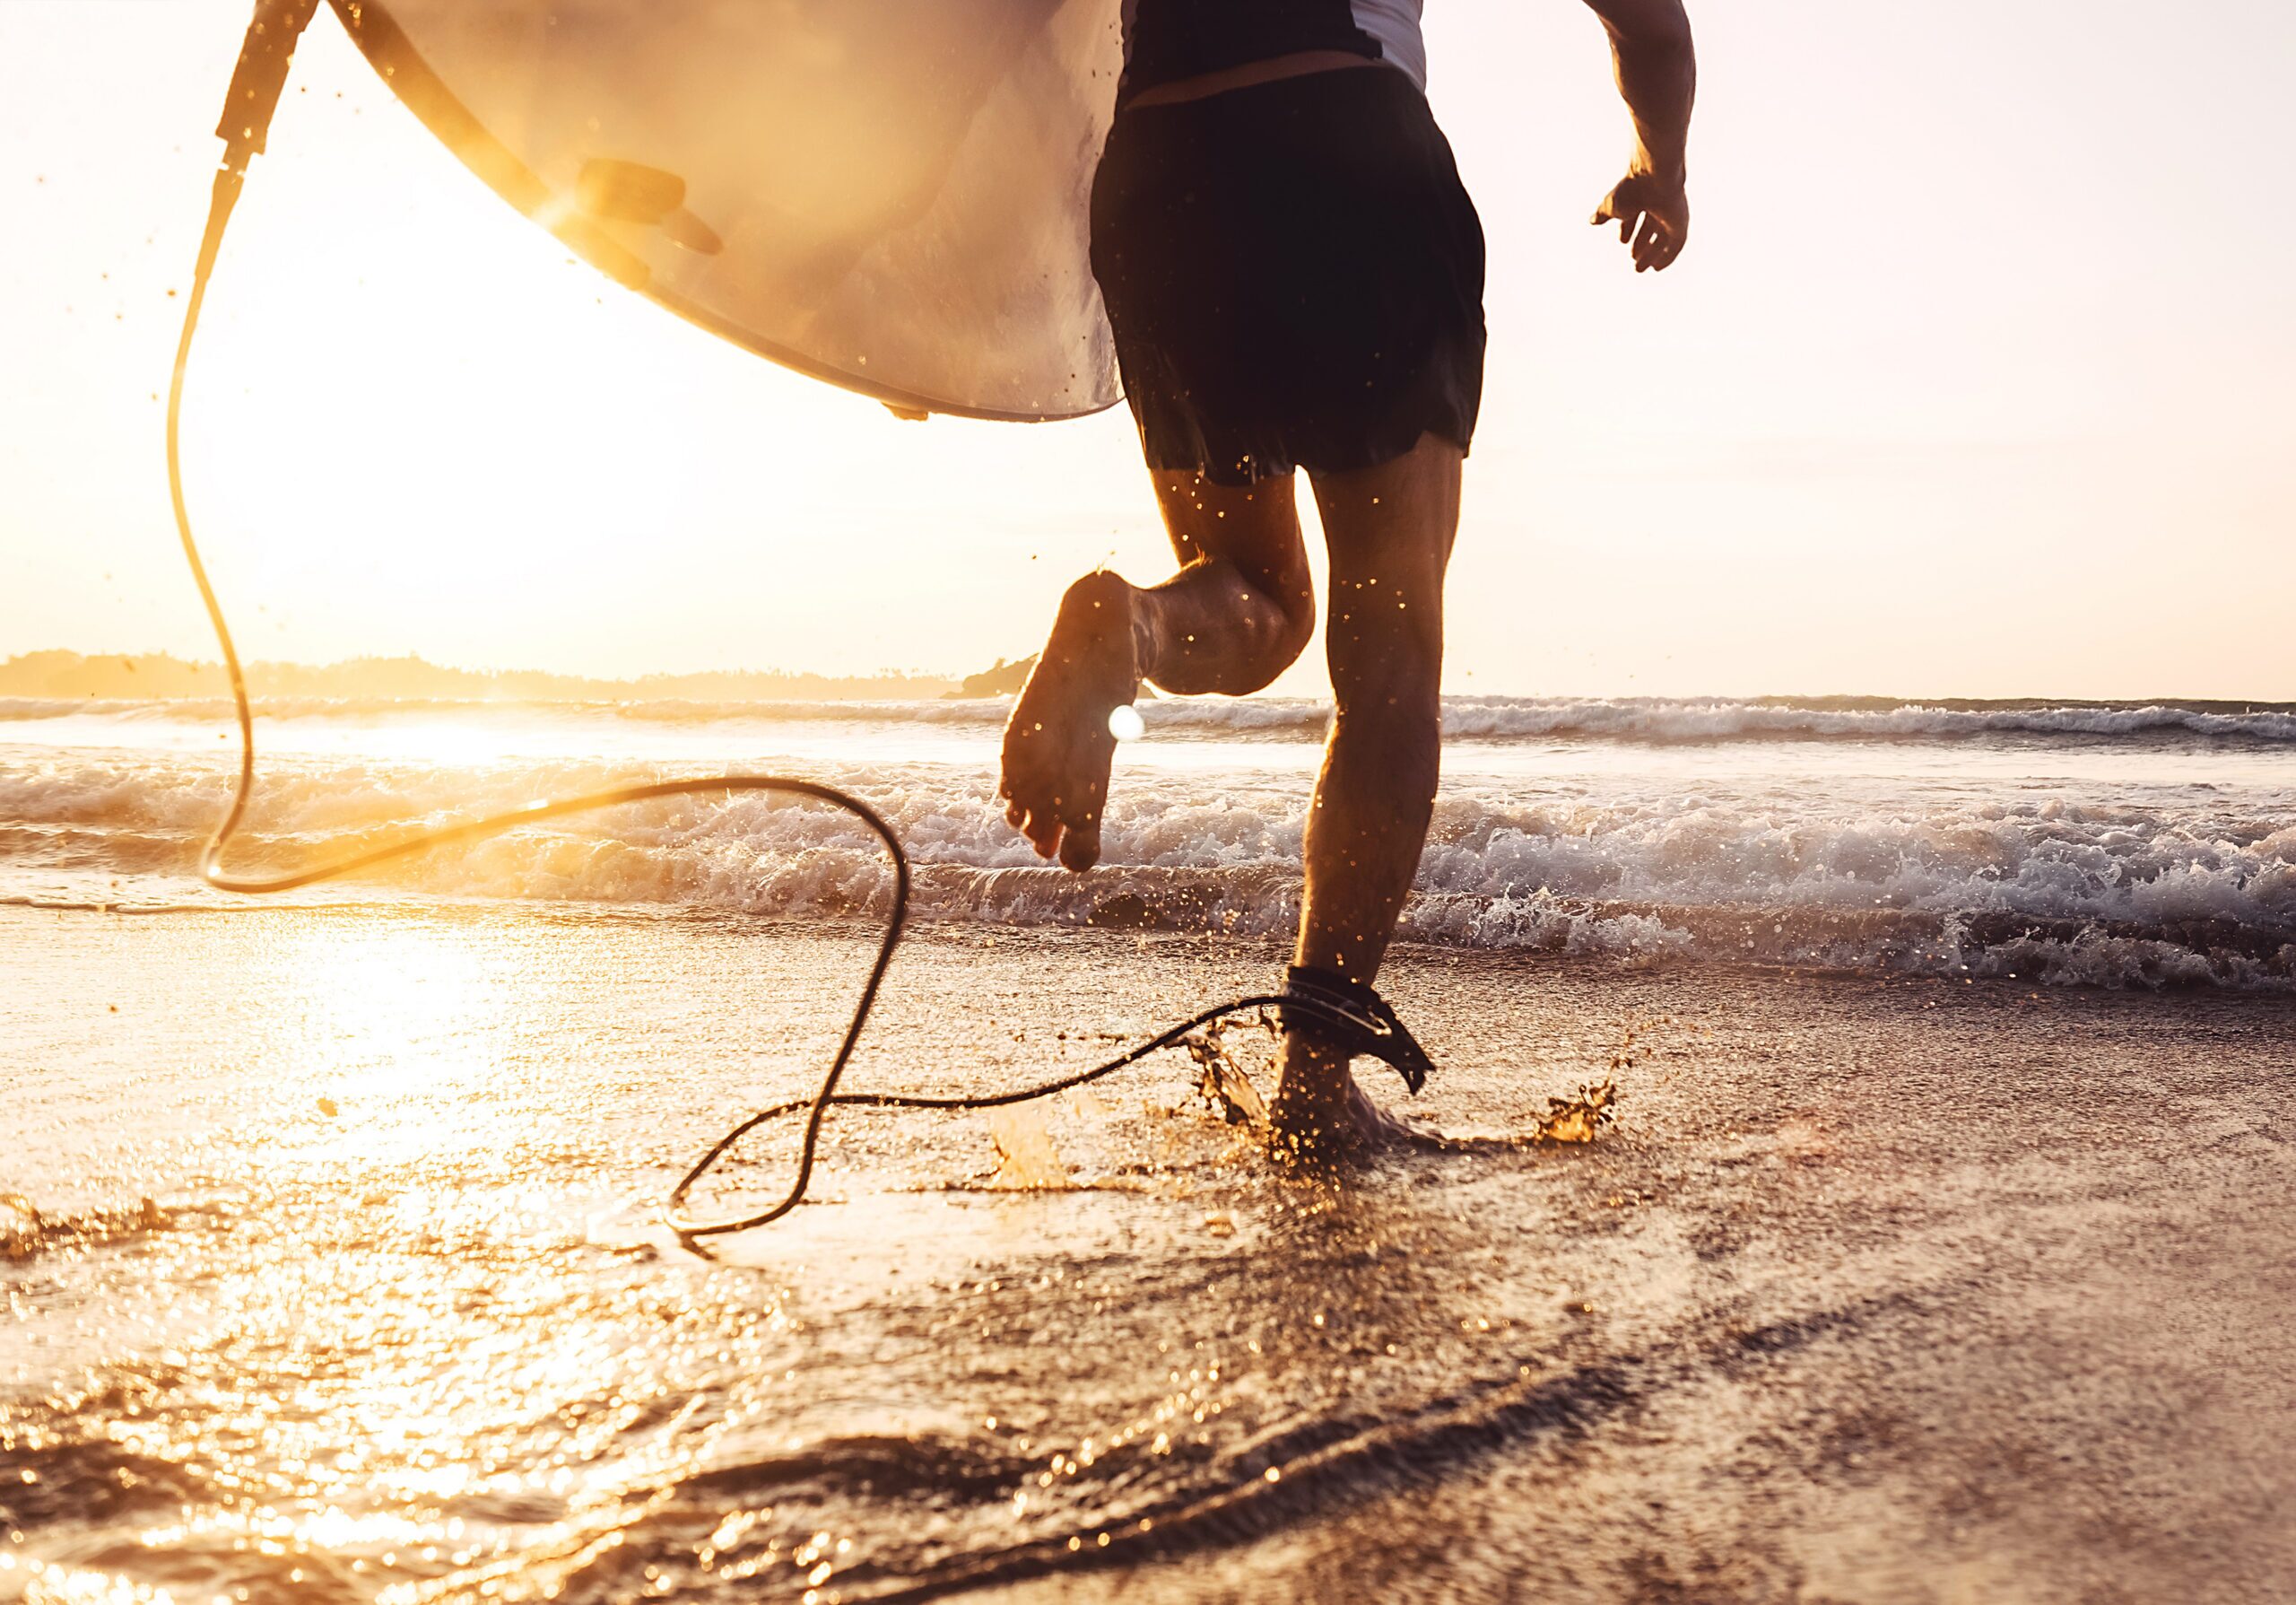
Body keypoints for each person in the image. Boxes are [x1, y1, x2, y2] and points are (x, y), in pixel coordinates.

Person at [1000, 0, 1696, 1160]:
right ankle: (1312, 1078)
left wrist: (921, 302)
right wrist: (1657, 167)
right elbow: (1650, 25)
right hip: (1352, 148)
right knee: (1387, 657)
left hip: (1163, 168)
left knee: (1250, 596)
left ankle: (1133, 622)